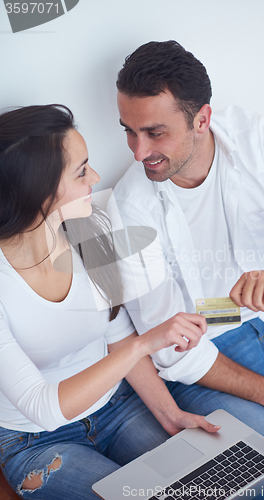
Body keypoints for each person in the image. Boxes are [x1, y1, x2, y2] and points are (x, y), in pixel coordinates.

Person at [109, 40, 264, 499]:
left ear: (202, 120)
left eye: (154, 132)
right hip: (209, 353)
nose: (137, 151)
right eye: (129, 132)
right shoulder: (128, 207)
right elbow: (172, 350)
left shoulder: (252, 135)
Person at [0, 104, 220, 500]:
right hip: (35, 442)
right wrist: (146, 342)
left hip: (117, 407)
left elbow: (116, 333)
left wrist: (171, 416)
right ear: (39, 188)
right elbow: (42, 407)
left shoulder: (88, 228)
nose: (96, 178)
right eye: (82, 170)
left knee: (208, 485)